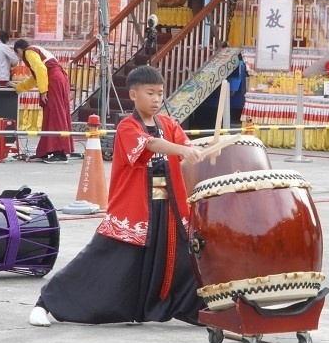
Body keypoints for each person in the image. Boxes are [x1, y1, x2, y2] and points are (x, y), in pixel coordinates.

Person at [29, 65, 204, 327]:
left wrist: (203, 148)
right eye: (150, 93)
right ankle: (47, 302)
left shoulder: (169, 125)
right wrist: (183, 149)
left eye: (160, 93)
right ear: (133, 95)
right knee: (104, 262)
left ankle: (207, 311)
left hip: (170, 211)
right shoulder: (127, 127)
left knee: (186, 262)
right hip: (133, 212)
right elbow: (151, 145)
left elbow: (188, 148)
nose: (157, 99)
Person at [13, 39, 74, 163]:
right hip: (56, 80)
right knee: (49, 117)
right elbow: (36, 77)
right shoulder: (36, 50)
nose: (20, 58)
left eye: (18, 55)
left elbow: (41, 69)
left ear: (19, 50)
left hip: (54, 81)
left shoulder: (28, 52)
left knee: (56, 115)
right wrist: (19, 87)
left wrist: (43, 91)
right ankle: (44, 152)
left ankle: (60, 153)